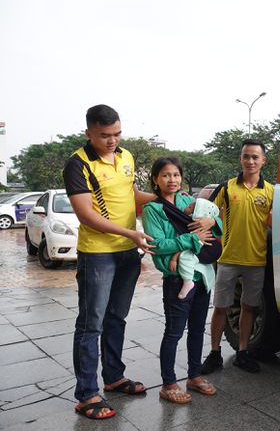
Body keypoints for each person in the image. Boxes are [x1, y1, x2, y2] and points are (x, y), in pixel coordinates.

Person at [63, 104, 156, 420]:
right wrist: (131, 233)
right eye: (105, 135)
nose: (112, 140)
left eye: (117, 133)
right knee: (91, 323)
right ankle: (87, 394)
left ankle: (114, 376)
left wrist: (168, 199)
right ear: (89, 133)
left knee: (117, 318)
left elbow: (133, 196)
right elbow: (86, 215)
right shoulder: (78, 164)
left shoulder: (126, 156)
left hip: (128, 252)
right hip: (98, 254)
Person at [142, 157, 222, 404]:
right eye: (166, 175)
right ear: (155, 179)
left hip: (201, 275)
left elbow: (216, 224)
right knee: (174, 332)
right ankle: (168, 383)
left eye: (176, 175)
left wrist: (212, 221)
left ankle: (194, 376)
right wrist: (191, 240)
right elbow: (157, 244)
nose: (172, 180)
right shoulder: (152, 210)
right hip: (177, 278)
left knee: (197, 329)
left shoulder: (189, 201)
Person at [201, 139, 274, 374]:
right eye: (246, 156)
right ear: (240, 159)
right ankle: (214, 353)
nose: (250, 161)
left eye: (255, 157)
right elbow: (207, 212)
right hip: (228, 259)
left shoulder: (271, 191)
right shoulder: (226, 188)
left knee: (249, 307)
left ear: (263, 160)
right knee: (221, 307)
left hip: (256, 260)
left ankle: (243, 352)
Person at [169, 198, 220, 299]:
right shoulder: (200, 226)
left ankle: (188, 281)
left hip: (210, 251)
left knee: (185, 257)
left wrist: (174, 258)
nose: (187, 207)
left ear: (198, 213)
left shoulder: (197, 227)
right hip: (211, 250)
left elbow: (188, 245)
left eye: (191, 207)